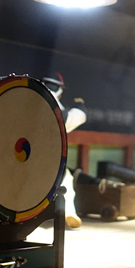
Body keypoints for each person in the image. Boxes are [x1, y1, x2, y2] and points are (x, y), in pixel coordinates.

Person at [42, 74, 86, 229]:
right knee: (66, 180)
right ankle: (68, 212)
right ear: (59, 90)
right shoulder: (57, 109)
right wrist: (80, 105)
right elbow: (77, 116)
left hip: (23, 154)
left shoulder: (30, 101)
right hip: (48, 158)